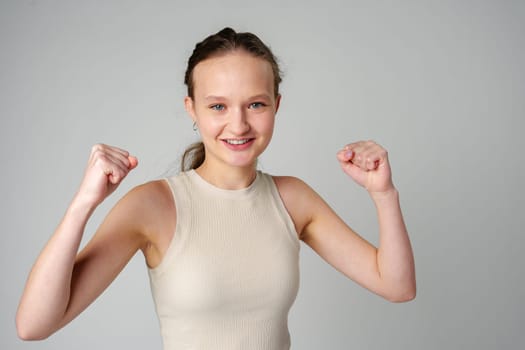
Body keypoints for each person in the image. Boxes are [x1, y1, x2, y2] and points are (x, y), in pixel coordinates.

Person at [16, 27, 416, 349]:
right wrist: (83, 204)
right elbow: (34, 325)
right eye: (218, 106)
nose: (239, 125)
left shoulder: (293, 199)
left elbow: (396, 286)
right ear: (192, 109)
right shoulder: (154, 205)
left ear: (277, 105)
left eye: (255, 104)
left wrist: (384, 195)